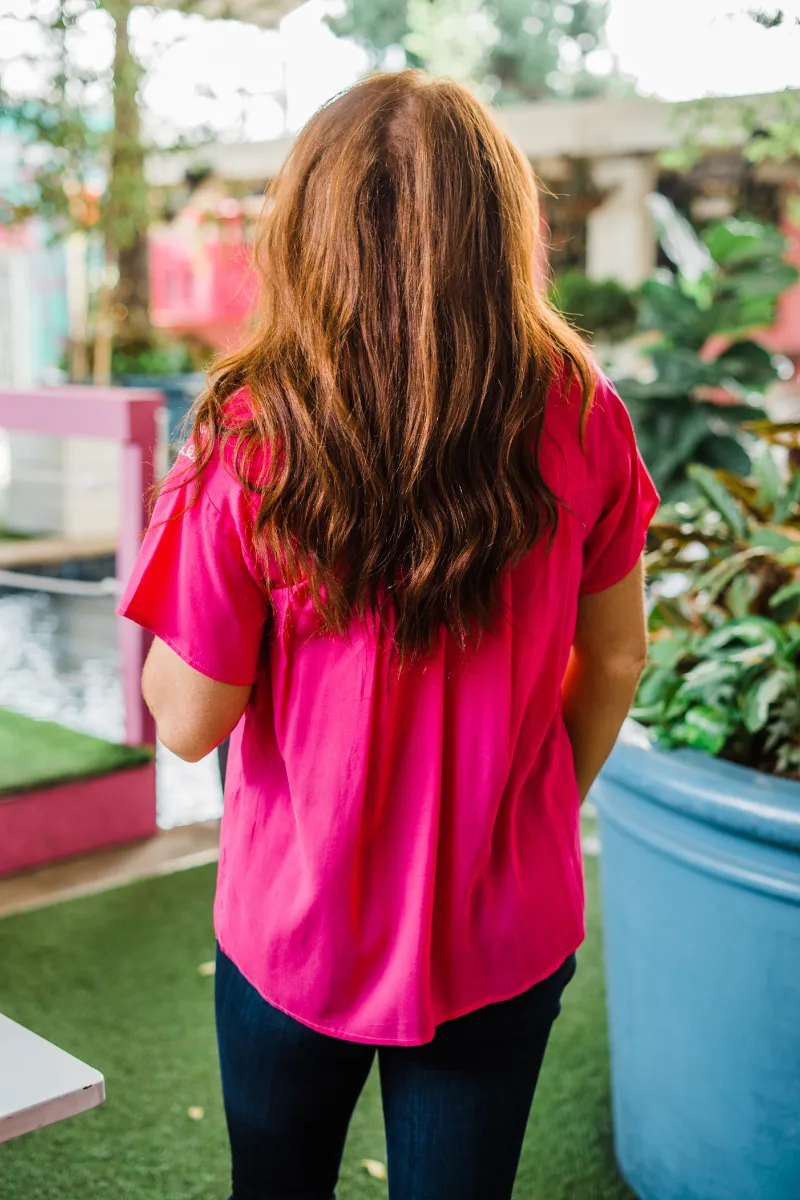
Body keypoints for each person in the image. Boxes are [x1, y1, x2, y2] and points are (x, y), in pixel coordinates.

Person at [118, 70, 658, 1200]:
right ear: (498, 225)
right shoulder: (581, 407)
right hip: (505, 918)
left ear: (308, 227)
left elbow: (185, 719)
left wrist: (183, 517)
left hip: (293, 924)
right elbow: (612, 656)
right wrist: (539, 799)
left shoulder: (248, 431)